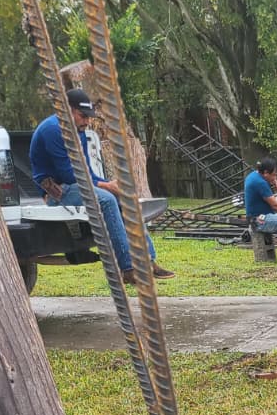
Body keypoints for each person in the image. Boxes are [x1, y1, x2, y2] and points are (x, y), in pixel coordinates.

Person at [28, 88, 172, 285]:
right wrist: (105, 186)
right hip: (58, 192)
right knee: (107, 199)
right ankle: (128, 268)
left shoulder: (77, 131)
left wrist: (108, 184)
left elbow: (87, 170)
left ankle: (149, 261)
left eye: (88, 117)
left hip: (77, 186)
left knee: (125, 199)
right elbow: (68, 175)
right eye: (82, 116)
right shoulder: (53, 130)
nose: (87, 121)